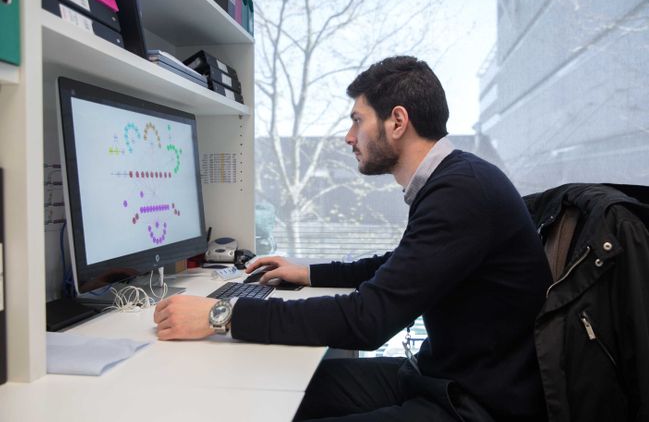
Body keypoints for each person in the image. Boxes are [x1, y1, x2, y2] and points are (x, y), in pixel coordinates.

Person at [154, 56, 552, 421]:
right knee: (278, 390)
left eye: (357, 120)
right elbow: (397, 267)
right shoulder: (457, 179)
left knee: (276, 404)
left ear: (397, 121)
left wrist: (219, 315)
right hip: (440, 378)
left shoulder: (461, 192)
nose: (348, 136)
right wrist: (308, 271)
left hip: (475, 406)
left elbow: (369, 320)